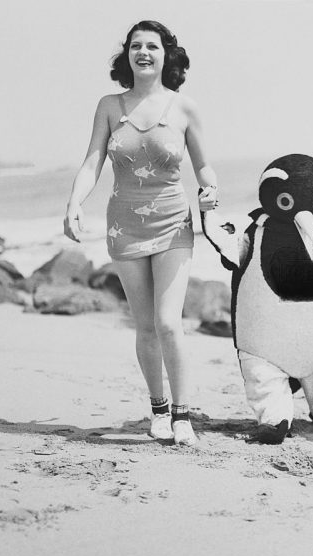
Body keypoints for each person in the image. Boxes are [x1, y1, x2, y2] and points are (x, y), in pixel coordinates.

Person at [63, 20, 218, 445]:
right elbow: (93, 161)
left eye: (152, 46)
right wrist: (74, 203)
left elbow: (203, 166)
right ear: (126, 55)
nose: (143, 52)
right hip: (124, 226)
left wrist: (209, 192)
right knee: (145, 325)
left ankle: (183, 416)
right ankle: (159, 409)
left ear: (167, 54)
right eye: (136, 46)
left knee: (169, 322)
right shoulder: (110, 106)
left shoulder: (184, 108)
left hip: (173, 224)